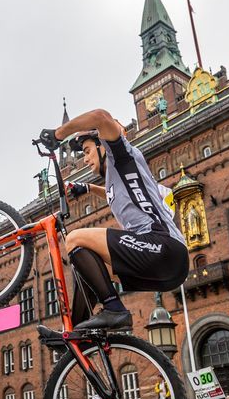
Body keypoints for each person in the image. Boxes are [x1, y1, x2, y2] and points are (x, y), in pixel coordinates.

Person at [47, 109, 189, 331]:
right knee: (83, 266)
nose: (85, 160)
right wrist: (88, 188)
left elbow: (101, 116)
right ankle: (76, 331)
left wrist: (58, 135)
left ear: (102, 145)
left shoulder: (121, 155)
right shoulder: (120, 175)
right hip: (167, 267)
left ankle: (115, 310)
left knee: (75, 239)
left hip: (162, 247)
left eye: (86, 151)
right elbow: (119, 195)